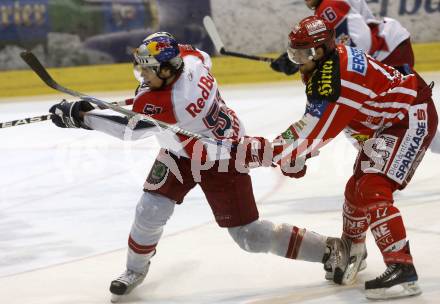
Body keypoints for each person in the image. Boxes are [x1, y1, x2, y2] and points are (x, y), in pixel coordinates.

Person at [48, 32, 347, 302]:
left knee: (249, 236)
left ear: (167, 70)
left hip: (221, 159)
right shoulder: (191, 61)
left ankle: (328, 249)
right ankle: (133, 270)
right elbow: (189, 56)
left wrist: (82, 118)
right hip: (180, 149)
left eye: (148, 69)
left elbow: (131, 128)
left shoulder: (173, 101)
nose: (141, 74)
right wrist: (91, 110)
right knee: (149, 209)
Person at [242, 16, 438, 300]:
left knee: (372, 187)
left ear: (321, 51)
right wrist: (297, 154)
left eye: (303, 54)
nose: (298, 61)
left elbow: (315, 130)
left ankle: (402, 269)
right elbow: (316, 124)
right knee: (355, 191)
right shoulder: (325, 63)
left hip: (408, 117)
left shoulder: (338, 81)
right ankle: (352, 252)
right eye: (293, 53)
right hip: (385, 123)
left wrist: (277, 153)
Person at [271, 0, 440, 152]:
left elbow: (358, 46)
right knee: (381, 119)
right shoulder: (327, 7)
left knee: (398, 116)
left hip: (387, 51)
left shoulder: (328, 6)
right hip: (389, 46)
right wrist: (303, 56)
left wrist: (305, 58)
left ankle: (381, 162)